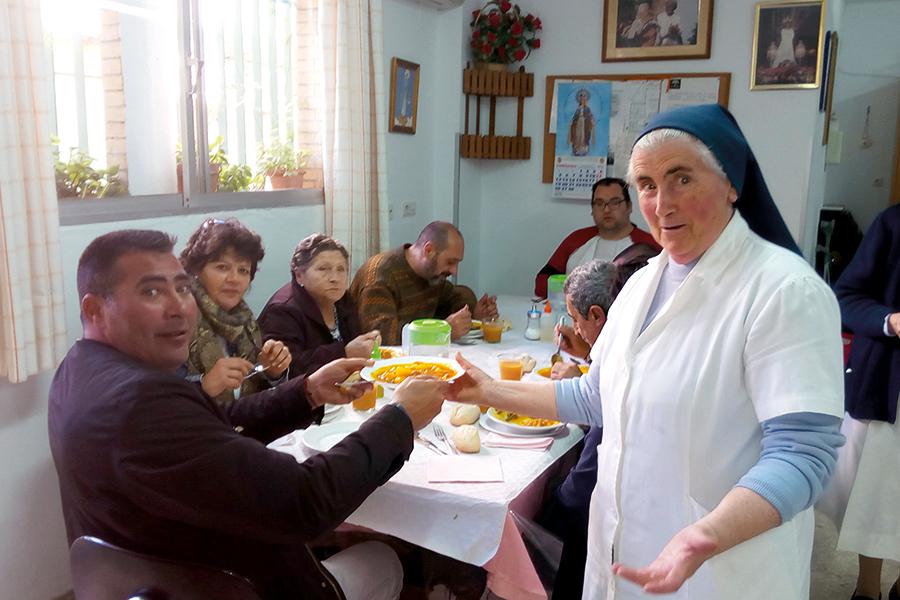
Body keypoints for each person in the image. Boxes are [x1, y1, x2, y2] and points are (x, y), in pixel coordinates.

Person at [451, 104, 846, 599]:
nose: (662, 204)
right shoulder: (640, 285)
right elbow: (596, 396)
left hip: (721, 568)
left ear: (731, 183)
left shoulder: (783, 292)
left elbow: (803, 453)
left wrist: (706, 535)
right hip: (622, 555)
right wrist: (487, 390)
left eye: (682, 178)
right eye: (647, 184)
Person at [49, 229, 449, 600]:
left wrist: (306, 391)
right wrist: (400, 417)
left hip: (149, 576)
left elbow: (216, 422)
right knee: (383, 558)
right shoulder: (142, 401)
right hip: (233, 585)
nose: (180, 308)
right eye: (152, 291)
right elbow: (304, 500)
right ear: (95, 309)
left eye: (182, 288)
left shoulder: (79, 370)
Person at [539, 257, 649, 600]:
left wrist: (550, 510)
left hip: (592, 514)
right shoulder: (637, 342)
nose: (574, 328)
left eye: (576, 319)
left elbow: (580, 488)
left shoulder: (619, 374)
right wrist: (588, 357)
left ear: (598, 316)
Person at [821, 204, 900, 600]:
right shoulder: (894, 223)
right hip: (889, 383)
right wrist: (891, 320)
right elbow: (848, 295)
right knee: (875, 490)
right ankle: (867, 587)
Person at [179, 217, 291, 405]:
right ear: (196, 270)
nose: (234, 279)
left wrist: (272, 372)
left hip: (246, 420)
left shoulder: (245, 320)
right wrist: (204, 385)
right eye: (222, 267)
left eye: (243, 270)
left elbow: (260, 398)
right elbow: (155, 399)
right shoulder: (176, 320)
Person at [350, 221, 498, 345]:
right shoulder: (379, 276)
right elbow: (380, 335)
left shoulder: (431, 274)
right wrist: (441, 331)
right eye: (450, 262)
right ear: (429, 250)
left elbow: (457, 294)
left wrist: (473, 312)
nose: (454, 271)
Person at [258, 234, 380, 378]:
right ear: (299, 276)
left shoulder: (343, 300)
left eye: (341, 269)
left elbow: (355, 343)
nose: (335, 278)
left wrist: (368, 343)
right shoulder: (282, 311)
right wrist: (344, 353)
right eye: (323, 269)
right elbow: (287, 370)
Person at [534, 177, 659, 297]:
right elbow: (542, 281)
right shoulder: (576, 239)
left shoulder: (650, 245)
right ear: (592, 209)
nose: (606, 210)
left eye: (615, 202)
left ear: (629, 206)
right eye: (599, 203)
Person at [568, 88, 595, 157]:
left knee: (584, 136)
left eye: (584, 96)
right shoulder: (578, 108)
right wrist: (572, 121)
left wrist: (592, 120)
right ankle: (577, 149)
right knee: (577, 136)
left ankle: (583, 149)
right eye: (581, 96)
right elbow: (574, 117)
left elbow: (591, 116)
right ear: (579, 99)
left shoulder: (587, 109)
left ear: (586, 98)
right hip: (577, 124)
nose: (582, 98)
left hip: (585, 124)